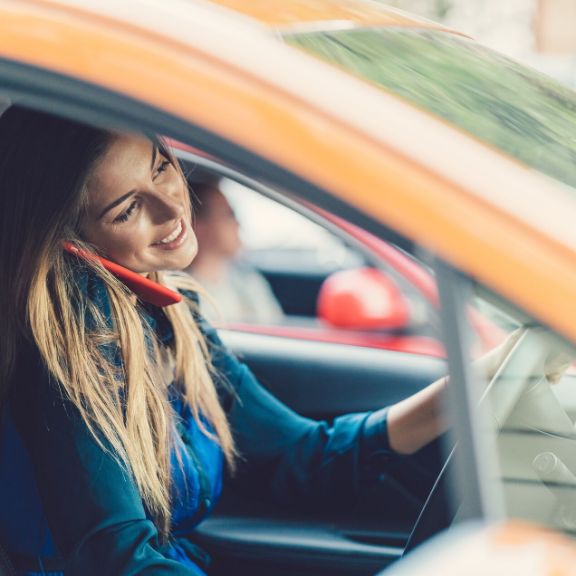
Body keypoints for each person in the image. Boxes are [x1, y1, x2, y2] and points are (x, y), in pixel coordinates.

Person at [0, 105, 472, 575]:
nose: (173, 208)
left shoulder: (168, 313)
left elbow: (294, 455)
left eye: (161, 168)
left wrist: (464, 393)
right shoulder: (67, 343)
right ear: (69, 241)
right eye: (128, 209)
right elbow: (118, 559)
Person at [186, 175, 284, 324]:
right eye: (229, 215)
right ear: (198, 226)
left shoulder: (249, 281)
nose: (238, 225)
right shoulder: (181, 293)